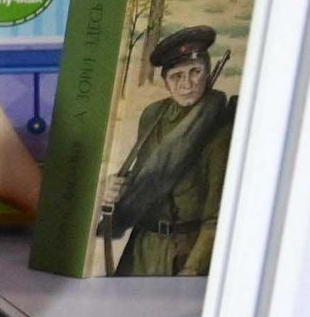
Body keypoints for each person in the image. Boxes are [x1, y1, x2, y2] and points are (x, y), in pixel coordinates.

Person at [98, 25, 234, 275]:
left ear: (207, 72)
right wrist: (116, 188)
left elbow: (217, 215)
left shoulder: (219, 126)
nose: (186, 84)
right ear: (165, 82)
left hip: (185, 252)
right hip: (142, 248)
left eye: (195, 72)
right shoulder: (153, 116)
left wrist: (192, 268)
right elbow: (148, 175)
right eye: (176, 76)